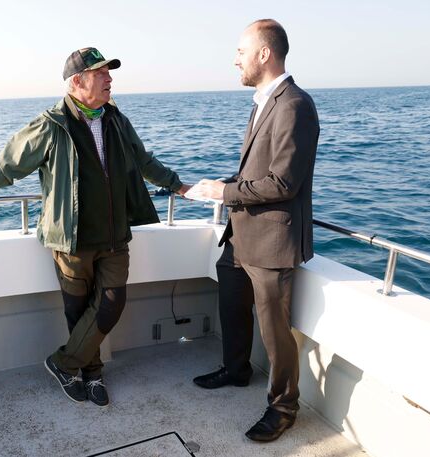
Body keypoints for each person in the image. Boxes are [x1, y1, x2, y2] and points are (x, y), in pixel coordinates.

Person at [0, 47, 189, 407]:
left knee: (110, 304)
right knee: (80, 311)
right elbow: (7, 168)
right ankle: (92, 374)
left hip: (115, 237)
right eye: (101, 74)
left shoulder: (116, 119)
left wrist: (179, 185)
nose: (109, 79)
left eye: (108, 73)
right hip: (71, 240)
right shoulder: (50, 125)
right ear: (77, 82)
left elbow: (144, 160)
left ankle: (63, 362)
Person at [189, 20, 319, 442]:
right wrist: (217, 186)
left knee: (275, 331)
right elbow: (254, 171)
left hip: (272, 242)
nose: (235, 60)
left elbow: (284, 182)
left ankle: (283, 407)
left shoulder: (294, 105)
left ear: (265, 54)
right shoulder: (263, 102)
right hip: (241, 237)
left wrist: (225, 192)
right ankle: (236, 368)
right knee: (231, 303)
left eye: (241, 52)